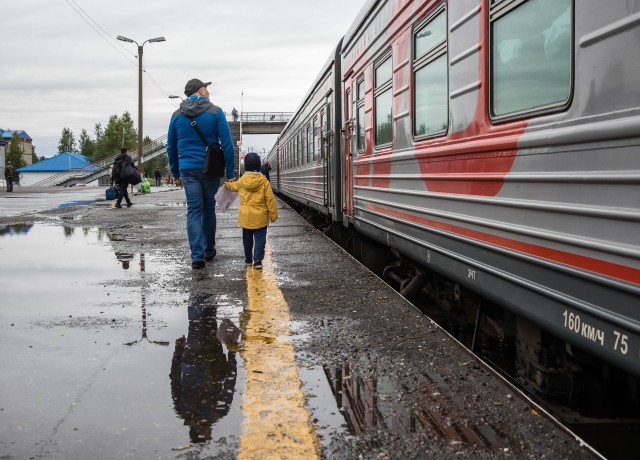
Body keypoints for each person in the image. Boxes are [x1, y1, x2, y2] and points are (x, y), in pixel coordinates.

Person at [167, 78, 236, 269]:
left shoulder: (176, 115)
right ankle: (209, 250)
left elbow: (171, 148)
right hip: (211, 168)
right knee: (208, 209)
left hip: (187, 168)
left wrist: (175, 171)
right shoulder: (216, 112)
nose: (208, 91)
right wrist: (230, 172)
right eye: (206, 88)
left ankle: (197, 256)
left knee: (194, 210)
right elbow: (228, 144)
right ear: (201, 91)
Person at [224, 152, 277, 269]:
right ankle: (257, 261)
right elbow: (270, 200)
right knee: (260, 240)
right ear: (259, 166)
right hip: (261, 218)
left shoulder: (242, 181)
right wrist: (273, 215)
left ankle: (248, 259)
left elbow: (232, 187)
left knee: (247, 240)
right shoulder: (264, 181)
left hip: (246, 217)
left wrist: (226, 183)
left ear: (246, 166)